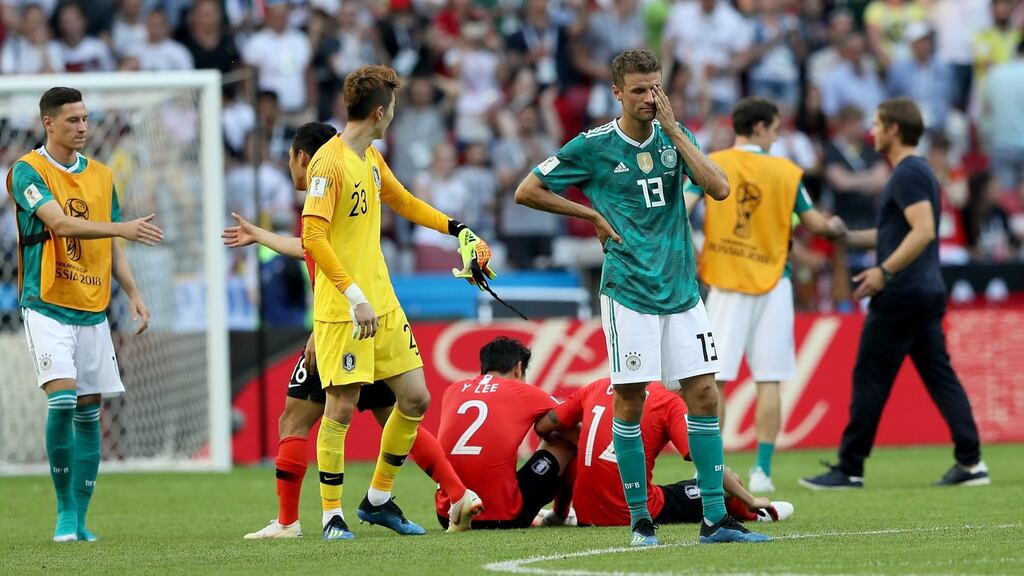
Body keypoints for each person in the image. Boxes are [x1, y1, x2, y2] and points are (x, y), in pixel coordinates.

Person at [514, 49, 769, 545]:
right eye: (639, 90)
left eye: (656, 88)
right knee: (629, 401)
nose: (650, 98)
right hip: (628, 291)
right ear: (617, 93)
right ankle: (640, 521)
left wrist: (675, 131)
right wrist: (588, 215)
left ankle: (715, 519)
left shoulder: (678, 135)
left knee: (704, 394)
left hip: (682, 289)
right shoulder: (593, 146)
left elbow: (717, 188)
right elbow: (528, 189)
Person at [221, 122, 483, 539]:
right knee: (399, 412)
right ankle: (450, 493)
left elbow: (317, 246)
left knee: (297, 420)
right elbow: (309, 247)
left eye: (290, 158)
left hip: (342, 320)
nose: (290, 166)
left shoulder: (328, 184)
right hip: (365, 313)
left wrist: (321, 326)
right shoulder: (353, 179)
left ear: (302, 158)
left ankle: (297, 521)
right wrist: (261, 236)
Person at [301, 65, 496, 541]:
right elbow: (312, 234)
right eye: (393, 110)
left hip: (383, 305)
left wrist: (458, 229)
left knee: (415, 398)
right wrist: (353, 295)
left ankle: (378, 500)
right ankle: (330, 516)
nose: (394, 118)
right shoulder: (328, 162)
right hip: (346, 308)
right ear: (379, 111)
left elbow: (404, 201)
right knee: (341, 408)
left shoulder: (370, 156)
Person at [800, 98, 990, 490]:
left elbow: (923, 231)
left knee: (870, 377)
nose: (872, 131)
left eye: (877, 124)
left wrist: (885, 271)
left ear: (894, 129)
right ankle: (971, 463)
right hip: (923, 291)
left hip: (902, 294)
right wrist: (846, 236)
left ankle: (850, 466)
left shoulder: (907, 173)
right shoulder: (914, 173)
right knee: (941, 377)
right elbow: (897, 233)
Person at [6, 87, 163, 542]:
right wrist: (123, 226)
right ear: (48, 123)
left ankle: (80, 518)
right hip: (47, 304)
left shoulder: (101, 176)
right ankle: (63, 513)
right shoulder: (27, 170)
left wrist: (133, 292)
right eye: (72, 120)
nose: (83, 127)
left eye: (85, 118)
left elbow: (111, 244)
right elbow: (60, 223)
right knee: (62, 400)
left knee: (90, 413)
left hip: (92, 307)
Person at [684, 97, 845, 493]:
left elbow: (680, 209)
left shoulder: (713, 162)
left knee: (713, 381)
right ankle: (763, 471)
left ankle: (710, 468)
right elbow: (815, 225)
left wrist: (693, 248)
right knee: (769, 379)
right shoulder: (787, 172)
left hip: (726, 282)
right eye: (774, 129)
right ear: (759, 127)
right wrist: (834, 226)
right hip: (775, 282)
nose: (776, 137)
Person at [535, 378, 795, 527]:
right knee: (728, 481)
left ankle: (560, 514)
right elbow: (704, 460)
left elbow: (545, 425)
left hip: (587, 512)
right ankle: (756, 514)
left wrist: (580, 439)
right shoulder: (668, 400)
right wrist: (749, 498)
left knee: (562, 444)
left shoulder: (598, 385)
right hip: (630, 512)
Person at [434, 337, 575, 530]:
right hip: (503, 517)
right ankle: (561, 514)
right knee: (562, 438)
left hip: (448, 515)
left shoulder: (453, 390)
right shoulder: (524, 391)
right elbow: (578, 425)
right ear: (518, 368)